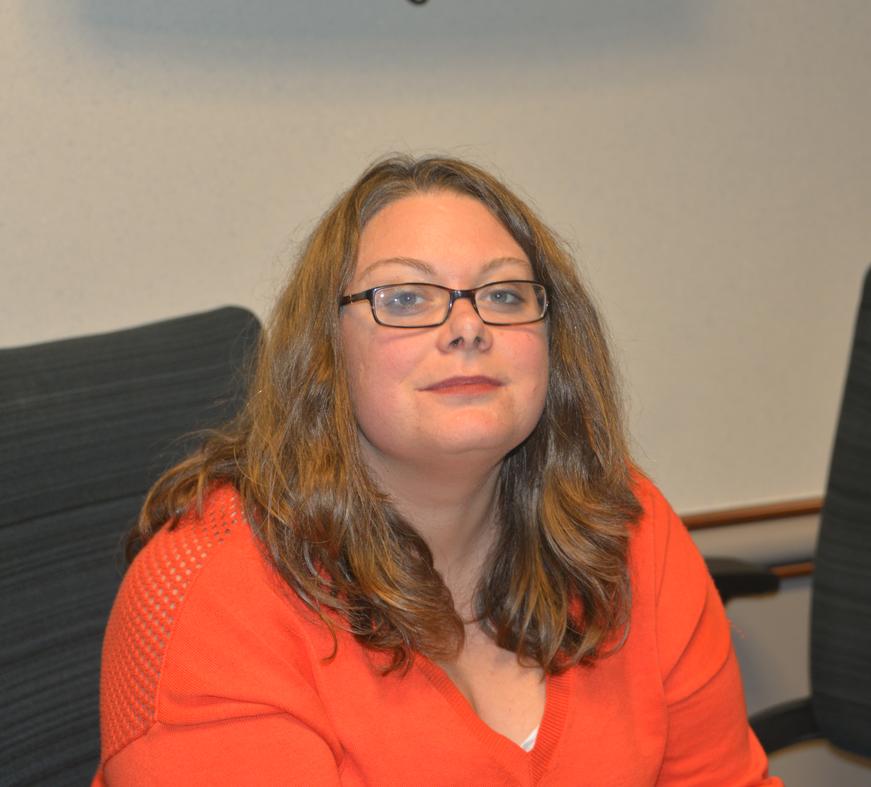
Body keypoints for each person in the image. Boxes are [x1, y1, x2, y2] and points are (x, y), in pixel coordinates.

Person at [94, 155, 780, 785]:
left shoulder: (624, 523)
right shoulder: (209, 593)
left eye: (504, 295)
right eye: (404, 298)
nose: (468, 326)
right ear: (325, 354)